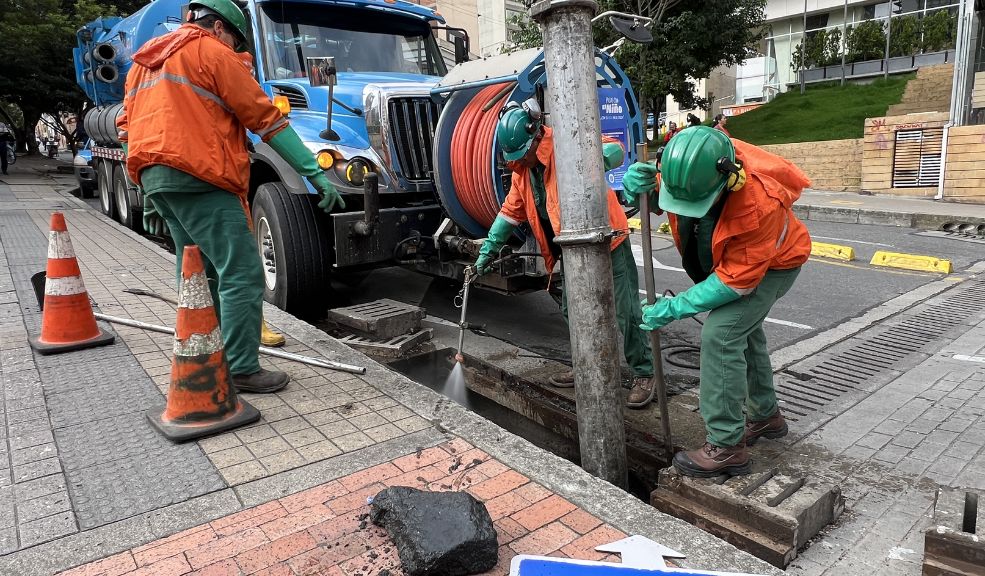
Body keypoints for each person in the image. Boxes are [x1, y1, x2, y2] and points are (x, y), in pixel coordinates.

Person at [119, 0, 344, 393]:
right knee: (241, 272)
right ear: (220, 27)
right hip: (200, 175)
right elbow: (266, 120)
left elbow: (130, 129)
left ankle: (205, 351)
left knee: (194, 269)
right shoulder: (212, 53)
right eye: (236, 39)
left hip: (156, 176)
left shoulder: (143, 63)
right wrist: (315, 175)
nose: (235, 48)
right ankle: (241, 367)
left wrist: (148, 193)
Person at [622, 126, 812, 477]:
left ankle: (726, 446)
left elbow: (734, 282)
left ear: (728, 180)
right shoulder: (689, 170)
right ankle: (766, 416)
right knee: (745, 333)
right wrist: (635, 192)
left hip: (774, 267)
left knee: (721, 334)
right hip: (731, 265)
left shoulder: (758, 204)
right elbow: (663, 197)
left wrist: (672, 308)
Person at [474, 99, 657, 408]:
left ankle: (644, 373)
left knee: (626, 312)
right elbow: (510, 214)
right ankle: (588, 364)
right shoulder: (523, 172)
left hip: (607, 240)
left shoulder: (568, 143)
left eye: (525, 153)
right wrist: (487, 251)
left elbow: (612, 147)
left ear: (535, 137)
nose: (521, 160)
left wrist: (596, 158)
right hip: (570, 252)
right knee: (574, 311)